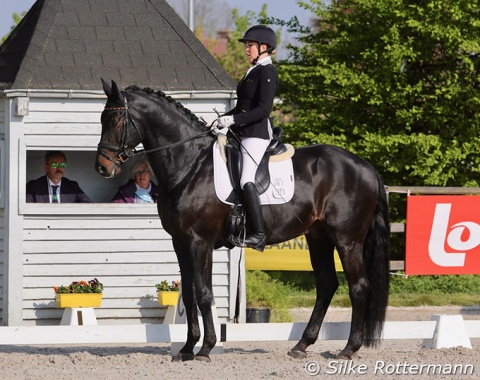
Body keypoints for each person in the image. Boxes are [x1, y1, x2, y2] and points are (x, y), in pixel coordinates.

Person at [216, 25, 279, 252]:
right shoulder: (252, 72)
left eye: (250, 45)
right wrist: (221, 119)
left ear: (264, 48)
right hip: (241, 132)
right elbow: (242, 108)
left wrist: (233, 121)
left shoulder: (267, 73)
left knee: (246, 180)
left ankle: (258, 234)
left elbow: (263, 110)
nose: (246, 50)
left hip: (256, 135)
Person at [26, 151, 92, 203]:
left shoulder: (72, 186)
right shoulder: (33, 186)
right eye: (55, 165)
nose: (59, 168)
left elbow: (88, 204)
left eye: (62, 165)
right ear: (46, 167)